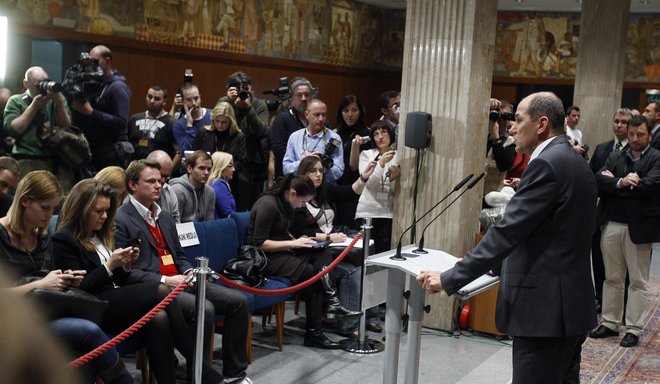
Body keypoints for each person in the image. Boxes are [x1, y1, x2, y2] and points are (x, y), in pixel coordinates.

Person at [417, 92, 598, 384]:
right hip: (571, 306)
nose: (511, 127)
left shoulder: (546, 164)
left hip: (545, 311)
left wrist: (451, 277)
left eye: (518, 119)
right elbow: (551, 235)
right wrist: (487, 266)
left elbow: (507, 232)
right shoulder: (575, 161)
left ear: (541, 124)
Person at [53, 179, 223, 383]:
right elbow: (81, 287)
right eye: (98, 211)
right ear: (81, 209)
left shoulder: (101, 233)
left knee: (158, 317)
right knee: (162, 291)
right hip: (92, 305)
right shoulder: (64, 239)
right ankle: (201, 367)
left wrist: (125, 264)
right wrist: (110, 266)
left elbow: (120, 278)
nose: (104, 216)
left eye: (107, 211)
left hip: (115, 299)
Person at [114, 159, 252, 384]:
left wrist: (189, 273)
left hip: (181, 281)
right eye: (151, 181)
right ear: (133, 185)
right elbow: (127, 272)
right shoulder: (121, 219)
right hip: (154, 288)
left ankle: (234, 373)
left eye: (160, 181)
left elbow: (179, 256)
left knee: (238, 301)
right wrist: (167, 279)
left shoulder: (165, 216)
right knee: (204, 309)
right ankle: (199, 375)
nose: (159, 185)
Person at [0, 170, 132, 383]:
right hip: (11, 319)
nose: (48, 216)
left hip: (44, 310)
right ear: (24, 201)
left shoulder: (40, 234)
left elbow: (45, 277)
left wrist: (65, 278)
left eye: (53, 209)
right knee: (87, 330)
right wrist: (43, 283)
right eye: (45, 208)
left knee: (82, 348)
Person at [248, 174, 361, 349]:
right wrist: (294, 242)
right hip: (265, 258)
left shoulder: (286, 204)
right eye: (302, 202)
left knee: (322, 250)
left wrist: (304, 242)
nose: (303, 206)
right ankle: (315, 333)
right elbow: (259, 243)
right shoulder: (268, 204)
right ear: (292, 193)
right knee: (311, 274)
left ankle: (333, 303)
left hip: (284, 250)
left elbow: (287, 233)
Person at [590, 115, 660, 348]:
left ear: (649, 134)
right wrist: (622, 182)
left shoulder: (656, 158)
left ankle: (633, 328)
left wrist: (617, 185)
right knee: (612, 277)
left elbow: (650, 186)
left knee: (637, 281)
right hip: (611, 224)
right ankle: (610, 323)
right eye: (631, 134)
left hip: (639, 227)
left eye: (640, 134)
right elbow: (599, 180)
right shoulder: (616, 154)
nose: (634, 138)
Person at [292, 156, 377, 335]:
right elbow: (299, 232)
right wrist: (329, 237)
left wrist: (364, 177)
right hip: (315, 250)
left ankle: (369, 317)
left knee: (370, 263)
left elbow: (349, 192)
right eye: (313, 171)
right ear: (303, 173)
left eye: (321, 171)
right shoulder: (298, 196)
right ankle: (348, 325)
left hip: (334, 243)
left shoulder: (325, 190)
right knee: (352, 272)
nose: (318, 175)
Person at [2, 66, 75, 192]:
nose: (43, 86)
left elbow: (66, 125)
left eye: (46, 81)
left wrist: (59, 102)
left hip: (55, 161)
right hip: (27, 161)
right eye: (38, 84)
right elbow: (14, 129)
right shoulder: (16, 101)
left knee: (58, 201)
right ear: (26, 84)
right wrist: (34, 106)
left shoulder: (56, 100)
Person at [588, 108, 632, 312]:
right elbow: (593, 178)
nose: (619, 125)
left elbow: (633, 185)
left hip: (625, 216)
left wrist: (611, 180)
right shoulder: (602, 148)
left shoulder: (636, 151)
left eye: (624, 122)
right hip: (601, 212)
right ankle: (600, 299)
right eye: (617, 121)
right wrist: (612, 182)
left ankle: (622, 304)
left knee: (623, 266)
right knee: (598, 258)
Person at [71, 45, 132, 170]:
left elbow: (121, 123)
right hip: (95, 149)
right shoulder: (94, 84)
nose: (92, 65)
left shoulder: (117, 87)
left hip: (111, 151)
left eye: (96, 61)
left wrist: (91, 112)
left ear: (107, 61)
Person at [217, 71, 269, 209]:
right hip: (227, 158)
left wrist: (248, 108)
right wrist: (228, 102)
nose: (243, 93)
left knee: (246, 204)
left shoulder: (258, 105)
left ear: (251, 88)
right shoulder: (225, 101)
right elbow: (218, 125)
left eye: (246, 89)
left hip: (250, 163)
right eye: (239, 89)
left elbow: (262, 132)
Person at [354, 120, 400, 254]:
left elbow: (395, 190)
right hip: (368, 211)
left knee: (382, 256)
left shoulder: (399, 156)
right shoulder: (367, 155)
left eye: (384, 132)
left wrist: (393, 181)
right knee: (365, 256)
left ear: (391, 134)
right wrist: (380, 164)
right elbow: (369, 185)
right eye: (376, 134)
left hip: (388, 214)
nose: (380, 136)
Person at [192, 102, 247, 209]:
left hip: (229, 182)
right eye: (217, 121)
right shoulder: (203, 133)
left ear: (231, 121)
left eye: (224, 122)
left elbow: (241, 162)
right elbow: (195, 155)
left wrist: (221, 170)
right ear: (213, 119)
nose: (220, 125)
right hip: (203, 180)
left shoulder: (238, 137)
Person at [282, 99, 344, 183]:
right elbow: (286, 169)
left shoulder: (334, 138)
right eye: (317, 115)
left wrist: (321, 166)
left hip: (325, 188)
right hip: (300, 187)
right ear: (306, 115)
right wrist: (303, 162)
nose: (321, 119)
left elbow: (339, 172)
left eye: (324, 115)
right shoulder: (294, 137)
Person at [335, 95, 370, 229]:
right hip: (336, 187)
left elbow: (354, 167)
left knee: (348, 227)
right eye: (346, 110)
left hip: (356, 188)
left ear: (360, 112)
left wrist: (355, 146)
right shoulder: (335, 133)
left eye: (354, 110)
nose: (350, 115)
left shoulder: (366, 135)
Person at [269, 77, 313, 180]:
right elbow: (279, 152)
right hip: (288, 178)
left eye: (307, 95)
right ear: (292, 98)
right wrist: (303, 162)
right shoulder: (282, 120)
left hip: (314, 178)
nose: (303, 98)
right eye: (299, 95)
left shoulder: (319, 120)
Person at [127, 85, 178, 162]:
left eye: (157, 99)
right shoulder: (134, 119)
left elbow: (178, 152)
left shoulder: (171, 123)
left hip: (158, 169)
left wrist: (170, 171)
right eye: (149, 97)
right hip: (134, 167)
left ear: (164, 102)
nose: (152, 101)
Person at [170, 150, 215, 222]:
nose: (206, 173)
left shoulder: (210, 192)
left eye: (209, 169)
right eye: (201, 168)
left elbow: (210, 223)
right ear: (189, 168)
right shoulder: (177, 190)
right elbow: (174, 224)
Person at [172, 84, 211, 154]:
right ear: (183, 101)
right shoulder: (178, 125)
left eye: (196, 98)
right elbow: (185, 152)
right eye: (189, 100)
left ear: (200, 97)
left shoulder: (212, 115)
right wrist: (189, 125)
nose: (194, 103)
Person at [146, 150, 180, 223]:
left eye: (167, 177)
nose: (163, 181)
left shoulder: (169, 192)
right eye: (160, 175)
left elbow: (176, 224)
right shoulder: (135, 195)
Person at [208, 151, 236, 219]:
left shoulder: (215, 183)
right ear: (220, 167)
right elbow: (228, 213)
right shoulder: (218, 185)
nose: (233, 169)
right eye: (230, 166)